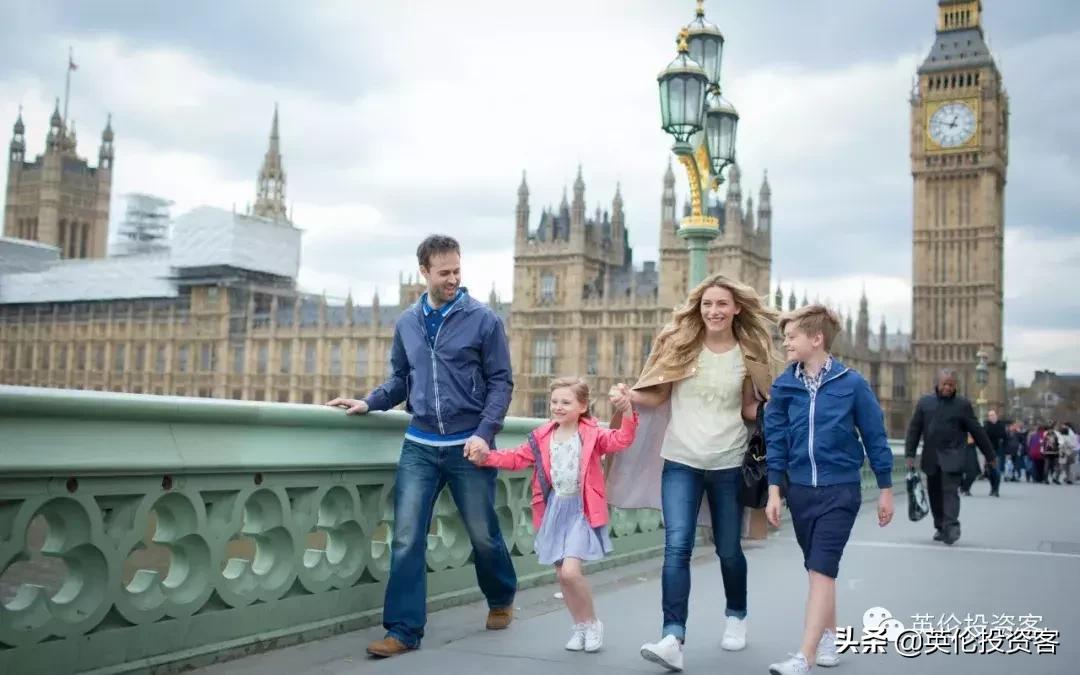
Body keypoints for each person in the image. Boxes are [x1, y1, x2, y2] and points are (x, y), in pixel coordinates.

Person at [325, 234, 517, 657]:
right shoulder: (407, 322)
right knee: (407, 537)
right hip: (420, 443)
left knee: (483, 534)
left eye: (457, 271)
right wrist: (369, 401)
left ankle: (501, 596)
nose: (453, 279)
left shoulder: (483, 320)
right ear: (424, 273)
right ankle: (403, 630)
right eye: (444, 272)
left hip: (469, 443)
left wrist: (484, 433)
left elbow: (502, 382)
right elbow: (400, 379)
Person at [605, 273, 778, 672]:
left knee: (729, 549)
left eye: (721, 304)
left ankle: (736, 614)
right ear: (699, 309)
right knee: (677, 547)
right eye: (707, 304)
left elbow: (751, 408)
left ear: (736, 309)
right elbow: (659, 392)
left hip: (729, 461)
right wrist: (629, 395)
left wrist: (777, 409)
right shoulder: (681, 346)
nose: (714, 311)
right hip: (680, 459)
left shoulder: (749, 351)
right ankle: (673, 635)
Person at [763, 305, 895, 675]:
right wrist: (775, 491)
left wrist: (885, 488)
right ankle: (831, 636)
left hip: (841, 490)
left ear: (816, 339)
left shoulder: (852, 384)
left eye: (792, 337)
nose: (785, 343)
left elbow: (875, 436)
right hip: (801, 490)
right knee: (820, 569)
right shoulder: (784, 386)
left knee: (822, 568)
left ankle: (803, 656)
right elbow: (776, 441)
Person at [468, 377, 639, 653]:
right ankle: (580, 625)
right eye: (555, 401)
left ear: (583, 406)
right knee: (562, 576)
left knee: (571, 572)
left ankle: (593, 623)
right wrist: (486, 457)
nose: (558, 407)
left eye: (566, 402)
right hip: (554, 510)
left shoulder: (592, 434)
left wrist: (628, 411)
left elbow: (622, 439)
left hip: (582, 509)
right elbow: (516, 458)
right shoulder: (541, 436)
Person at [904, 369, 996, 546]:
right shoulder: (925, 403)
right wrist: (910, 454)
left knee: (950, 492)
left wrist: (989, 455)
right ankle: (940, 527)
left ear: (955, 386)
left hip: (953, 456)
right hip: (931, 457)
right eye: (945, 384)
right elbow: (914, 430)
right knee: (934, 493)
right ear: (937, 384)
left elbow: (977, 430)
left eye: (951, 385)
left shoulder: (962, 405)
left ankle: (952, 527)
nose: (948, 387)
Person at [982, 409, 1007, 496]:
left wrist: (1006, 450)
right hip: (988, 451)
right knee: (990, 471)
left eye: (993, 415)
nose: (992, 417)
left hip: (998, 451)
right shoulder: (986, 426)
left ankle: (996, 490)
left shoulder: (1001, 425)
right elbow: (983, 439)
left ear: (996, 416)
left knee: (997, 470)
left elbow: (1004, 437)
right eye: (990, 415)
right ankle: (992, 487)